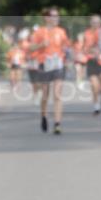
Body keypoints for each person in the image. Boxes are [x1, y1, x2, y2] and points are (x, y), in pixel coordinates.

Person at [30, 7, 69, 135]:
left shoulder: (61, 31)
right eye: (53, 16)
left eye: (57, 16)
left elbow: (66, 46)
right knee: (45, 95)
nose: (56, 18)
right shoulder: (39, 32)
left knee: (57, 95)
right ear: (46, 18)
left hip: (58, 64)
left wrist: (67, 55)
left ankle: (57, 123)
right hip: (44, 64)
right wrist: (41, 45)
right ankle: (44, 116)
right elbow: (31, 47)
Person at [82, 14, 101, 115]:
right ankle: (96, 105)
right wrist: (91, 49)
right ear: (90, 23)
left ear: (100, 23)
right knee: (95, 85)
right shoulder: (87, 34)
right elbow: (84, 49)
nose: (95, 24)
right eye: (93, 22)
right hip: (91, 61)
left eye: (97, 22)